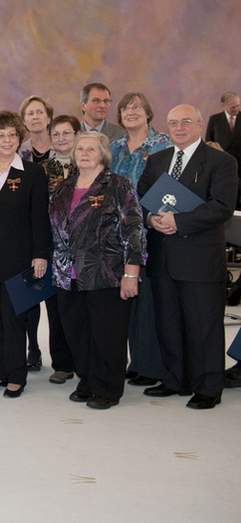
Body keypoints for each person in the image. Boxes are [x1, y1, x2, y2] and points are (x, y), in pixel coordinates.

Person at [138, 105, 238, 410]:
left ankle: (208, 386)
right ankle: (175, 379)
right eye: (173, 123)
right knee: (168, 323)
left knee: (203, 326)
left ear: (199, 125)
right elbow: (140, 201)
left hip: (199, 259)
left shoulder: (221, 162)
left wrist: (178, 222)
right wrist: (150, 220)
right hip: (163, 257)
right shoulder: (157, 161)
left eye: (186, 122)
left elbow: (221, 207)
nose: (179, 127)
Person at [49, 131, 145, 410]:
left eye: (92, 149)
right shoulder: (64, 187)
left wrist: (131, 274)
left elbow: (134, 232)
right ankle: (88, 381)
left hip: (107, 273)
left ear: (103, 154)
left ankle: (108, 388)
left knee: (107, 334)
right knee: (77, 332)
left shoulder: (118, 185)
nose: (85, 153)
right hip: (67, 275)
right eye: (80, 149)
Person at [0, 111, 51, 399]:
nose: (6, 140)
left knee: (15, 318)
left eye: (11, 135)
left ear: (19, 138)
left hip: (21, 258)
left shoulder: (33, 174)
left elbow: (40, 218)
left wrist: (41, 254)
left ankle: (17, 374)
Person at [109, 92, 171, 389]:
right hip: (117, 236)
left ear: (148, 113)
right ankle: (135, 363)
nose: (130, 111)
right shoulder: (113, 147)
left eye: (136, 107)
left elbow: (173, 188)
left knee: (150, 304)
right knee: (126, 303)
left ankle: (152, 365)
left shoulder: (165, 145)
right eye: (125, 108)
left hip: (154, 232)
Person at [40, 115, 81, 384]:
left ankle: (86, 360)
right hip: (54, 248)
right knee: (57, 308)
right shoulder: (40, 169)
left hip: (87, 249)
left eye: (67, 133)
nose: (61, 138)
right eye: (56, 134)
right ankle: (62, 363)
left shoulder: (91, 164)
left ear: (78, 135)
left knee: (85, 308)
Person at [18, 95, 57, 370]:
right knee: (29, 297)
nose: (35, 117)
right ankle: (32, 347)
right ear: (24, 121)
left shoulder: (66, 148)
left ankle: (63, 357)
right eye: (29, 113)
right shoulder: (18, 153)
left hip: (63, 234)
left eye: (39, 112)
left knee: (57, 301)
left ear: (48, 117)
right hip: (29, 231)